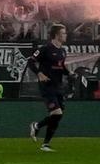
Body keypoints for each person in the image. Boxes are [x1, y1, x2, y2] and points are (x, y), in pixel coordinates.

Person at [24, 22, 72, 151]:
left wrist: (69, 73)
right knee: (57, 112)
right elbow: (30, 61)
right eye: (63, 33)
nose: (66, 35)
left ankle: (45, 143)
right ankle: (37, 126)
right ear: (56, 35)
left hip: (58, 86)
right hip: (47, 86)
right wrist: (39, 73)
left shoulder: (62, 51)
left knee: (58, 115)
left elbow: (61, 66)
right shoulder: (45, 48)